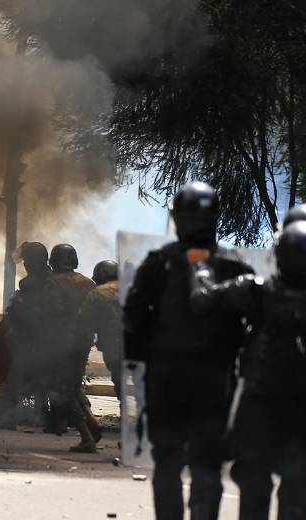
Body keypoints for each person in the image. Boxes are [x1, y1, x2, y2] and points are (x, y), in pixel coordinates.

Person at [124, 182, 253, 520]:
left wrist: (142, 359)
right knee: (206, 464)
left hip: (167, 375)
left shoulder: (158, 263)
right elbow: (254, 324)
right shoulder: (234, 266)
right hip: (215, 377)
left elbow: (133, 319)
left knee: (168, 461)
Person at [189, 221, 306, 520]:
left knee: (254, 483)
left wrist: (201, 269)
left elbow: (203, 299)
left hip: (259, 401)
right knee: (297, 488)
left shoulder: (256, 289)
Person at [46, 244, 100, 451]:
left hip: (62, 343)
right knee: (74, 386)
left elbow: (52, 314)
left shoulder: (53, 283)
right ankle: (92, 423)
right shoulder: (89, 283)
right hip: (83, 341)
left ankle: (86, 437)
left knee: (63, 390)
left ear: (54, 261)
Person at [2, 241, 54, 427]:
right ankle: (45, 416)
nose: (24, 265)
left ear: (32, 262)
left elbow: (22, 312)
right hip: (49, 338)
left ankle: (9, 417)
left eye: (26, 261)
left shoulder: (30, 283)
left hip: (32, 337)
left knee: (18, 374)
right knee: (43, 377)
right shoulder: (53, 279)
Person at [78, 261, 121, 399]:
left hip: (113, 348)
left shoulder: (97, 294)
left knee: (120, 383)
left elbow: (84, 323)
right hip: (140, 348)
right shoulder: (132, 288)